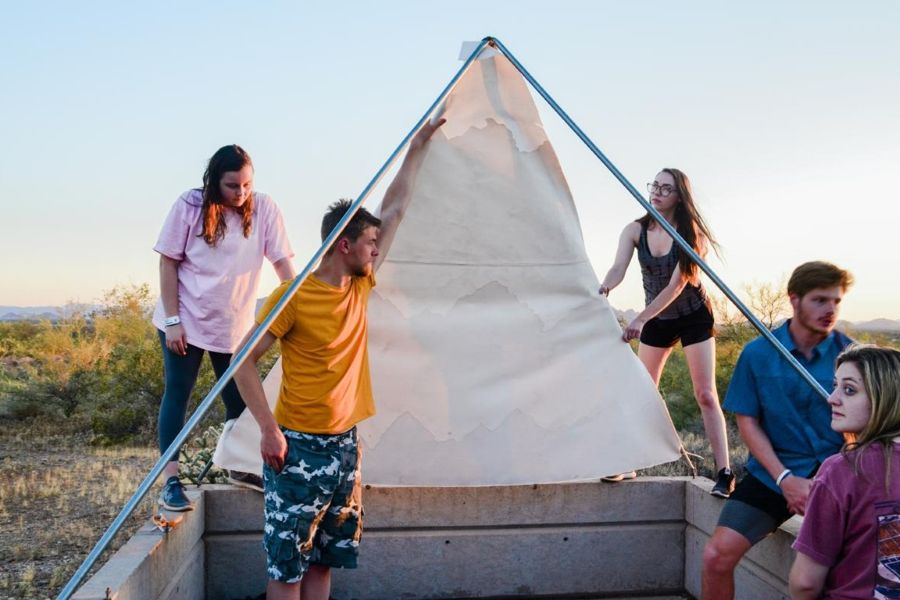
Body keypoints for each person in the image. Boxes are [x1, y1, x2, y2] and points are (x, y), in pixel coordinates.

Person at [232, 118, 445, 600]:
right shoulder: (293, 297)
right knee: (287, 568)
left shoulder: (360, 282)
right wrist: (268, 430)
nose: (377, 249)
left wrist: (417, 147)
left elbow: (395, 209)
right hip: (297, 450)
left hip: (345, 448)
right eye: (370, 244)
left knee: (325, 562)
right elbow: (241, 362)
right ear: (344, 246)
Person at [153, 144, 296, 511]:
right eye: (233, 186)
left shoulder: (264, 208)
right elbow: (168, 264)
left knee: (240, 404)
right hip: (183, 319)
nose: (241, 193)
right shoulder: (190, 205)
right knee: (178, 393)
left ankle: (242, 468)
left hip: (232, 326)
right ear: (215, 181)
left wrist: (299, 304)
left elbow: (283, 266)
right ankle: (171, 481)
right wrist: (172, 322)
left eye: (247, 184)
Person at [701, 261, 855, 599]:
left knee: (839, 576)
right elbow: (747, 421)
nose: (830, 310)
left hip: (836, 477)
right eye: (819, 300)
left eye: (836, 301)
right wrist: (785, 479)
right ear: (794, 299)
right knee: (716, 556)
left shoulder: (852, 355)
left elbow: (868, 424)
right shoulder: (757, 353)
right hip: (773, 475)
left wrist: (834, 478)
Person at [598, 168, 733, 496]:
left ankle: (725, 472)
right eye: (654, 185)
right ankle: (627, 462)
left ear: (679, 196)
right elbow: (618, 268)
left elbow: (677, 286)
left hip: (691, 316)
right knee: (642, 391)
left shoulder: (691, 234)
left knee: (705, 394)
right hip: (657, 319)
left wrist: (640, 318)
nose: (656, 192)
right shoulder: (635, 230)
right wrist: (603, 288)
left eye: (666, 188)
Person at [789, 345, 900, 599]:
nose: (832, 398)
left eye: (849, 390)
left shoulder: (842, 471)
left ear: (886, 397)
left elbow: (805, 582)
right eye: (835, 386)